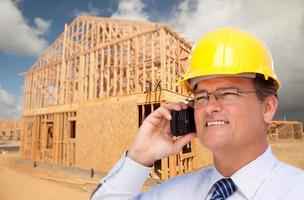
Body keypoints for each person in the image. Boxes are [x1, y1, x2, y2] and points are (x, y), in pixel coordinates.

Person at [91, 27, 304, 200]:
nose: (210, 107)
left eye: (228, 93)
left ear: (267, 108)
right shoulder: (174, 193)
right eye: (201, 96)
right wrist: (139, 158)